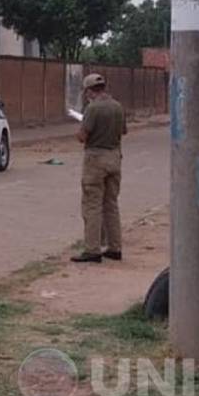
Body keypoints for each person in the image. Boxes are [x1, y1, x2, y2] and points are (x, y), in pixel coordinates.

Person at [72, 74, 127, 264]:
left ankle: (92, 249)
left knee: (92, 205)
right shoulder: (117, 106)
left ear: (89, 91)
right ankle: (115, 247)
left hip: (95, 159)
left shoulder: (92, 108)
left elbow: (83, 136)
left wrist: (79, 131)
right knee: (111, 204)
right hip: (114, 156)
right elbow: (123, 131)